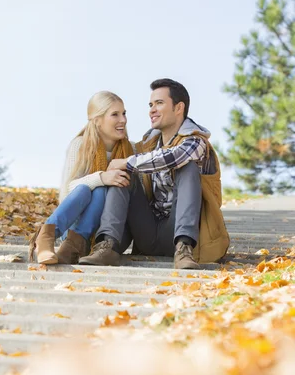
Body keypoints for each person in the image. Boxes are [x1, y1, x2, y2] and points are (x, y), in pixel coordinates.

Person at [79, 78, 229, 269]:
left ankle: (184, 249)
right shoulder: (148, 144)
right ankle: (107, 246)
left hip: (183, 234)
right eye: (150, 104)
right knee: (124, 175)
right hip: (147, 232)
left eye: (159, 103)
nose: (152, 110)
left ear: (178, 108)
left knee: (187, 166)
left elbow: (174, 157)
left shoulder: (196, 142)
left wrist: (127, 161)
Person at [29, 91, 133, 264]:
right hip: (74, 226)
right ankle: (47, 238)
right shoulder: (80, 145)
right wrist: (101, 177)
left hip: (109, 233)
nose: (123, 120)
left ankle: (72, 246)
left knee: (100, 191)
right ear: (97, 120)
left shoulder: (131, 152)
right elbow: (67, 193)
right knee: (88, 188)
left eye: (124, 113)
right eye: (115, 114)